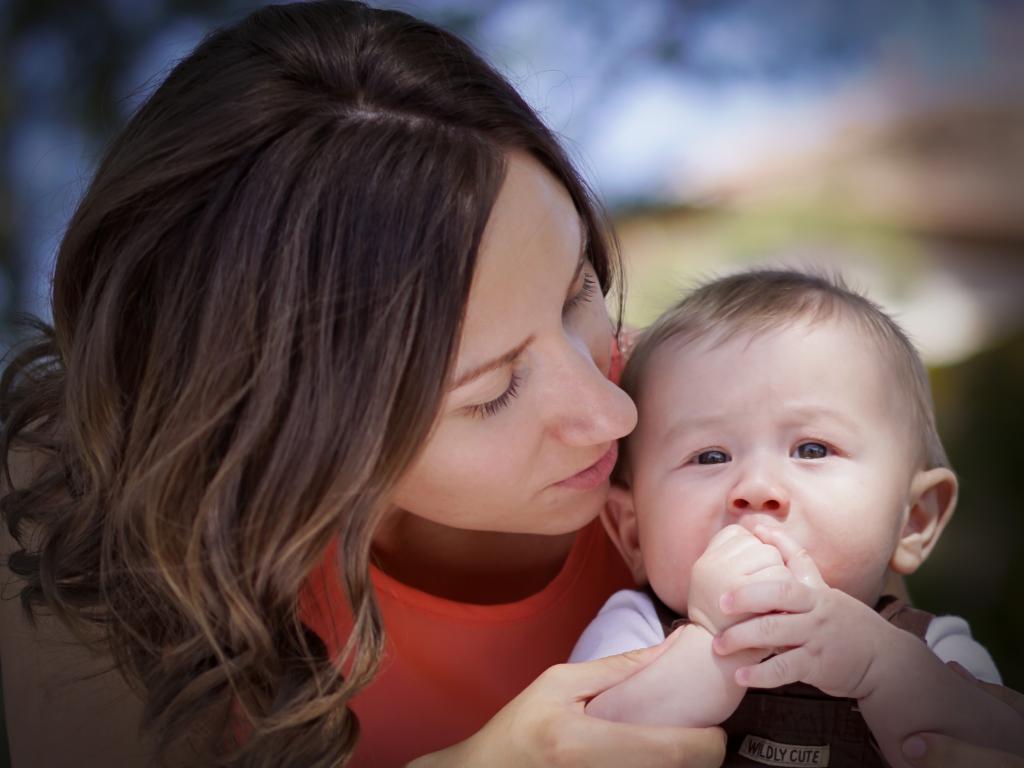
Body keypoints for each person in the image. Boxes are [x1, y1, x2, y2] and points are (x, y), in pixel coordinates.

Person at [0, 2, 730, 766]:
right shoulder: (87, 534)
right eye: (491, 392)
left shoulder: (722, 434)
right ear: (282, 425)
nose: (613, 413)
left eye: (577, 291)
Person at [570, 270, 1024, 767]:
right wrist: (711, 646)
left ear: (913, 519)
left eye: (812, 449)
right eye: (710, 456)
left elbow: (1002, 745)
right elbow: (581, 746)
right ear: (634, 532)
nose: (757, 488)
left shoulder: (934, 648)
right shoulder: (635, 632)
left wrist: (882, 670)